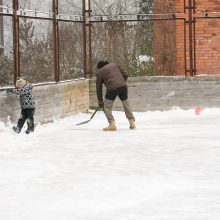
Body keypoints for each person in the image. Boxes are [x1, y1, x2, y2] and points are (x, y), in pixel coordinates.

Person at [96, 60, 135, 131]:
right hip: (123, 86)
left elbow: (98, 88)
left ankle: (112, 124)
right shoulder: (115, 65)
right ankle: (132, 123)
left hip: (112, 88)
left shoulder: (100, 72)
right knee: (126, 104)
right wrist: (121, 82)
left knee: (107, 107)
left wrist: (100, 101)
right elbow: (126, 74)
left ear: (99, 67)